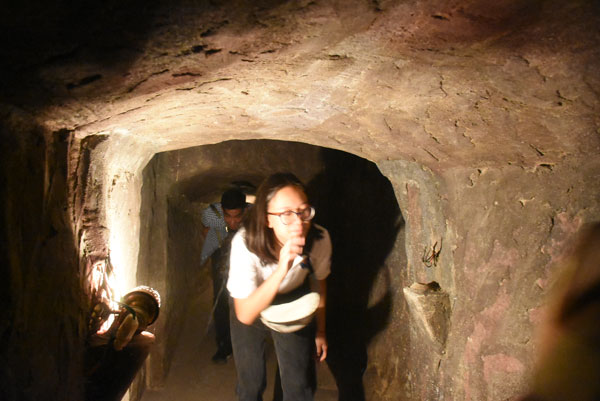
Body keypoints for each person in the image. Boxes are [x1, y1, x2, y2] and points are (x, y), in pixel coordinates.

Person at [227, 173, 331, 401]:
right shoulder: (245, 244)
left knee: (298, 384)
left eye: (303, 211)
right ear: (267, 219)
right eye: (286, 214)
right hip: (251, 301)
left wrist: (320, 331)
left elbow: (320, 283)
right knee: (251, 381)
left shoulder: (319, 239)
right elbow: (245, 314)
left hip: (291, 300)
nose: (298, 223)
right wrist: (282, 268)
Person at [201, 188, 247, 363]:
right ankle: (224, 345)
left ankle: (244, 344)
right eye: (228, 216)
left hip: (244, 265)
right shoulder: (213, 217)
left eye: (237, 216)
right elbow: (206, 236)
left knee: (243, 303)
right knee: (221, 302)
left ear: (244, 210)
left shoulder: (252, 220)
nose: (233, 221)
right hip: (222, 263)